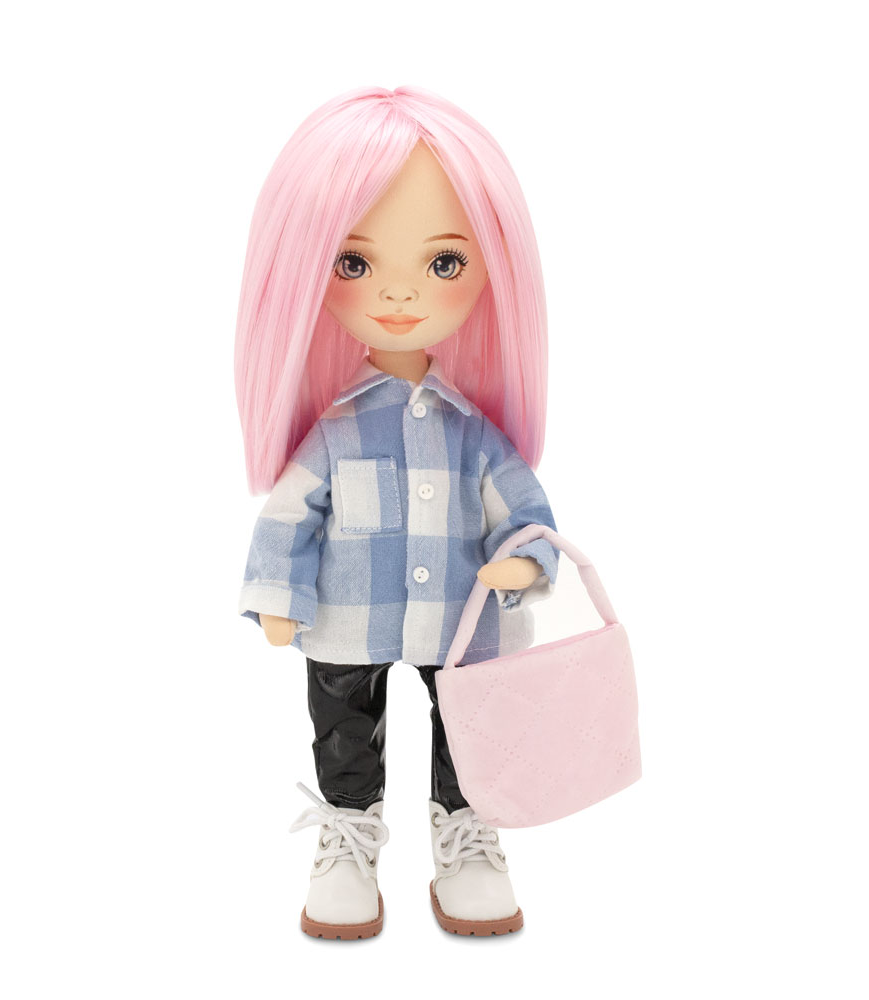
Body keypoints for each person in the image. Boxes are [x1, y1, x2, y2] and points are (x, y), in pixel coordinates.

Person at [234, 86, 558, 938]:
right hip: (348, 620)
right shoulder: (334, 432)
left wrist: (524, 561)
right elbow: (289, 516)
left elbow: (527, 510)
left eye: (444, 263)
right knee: (343, 728)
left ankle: (468, 834)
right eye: (355, 263)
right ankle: (347, 837)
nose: (401, 292)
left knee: (469, 731)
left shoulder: (475, 435)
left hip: (462, 622)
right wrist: (279, 594)